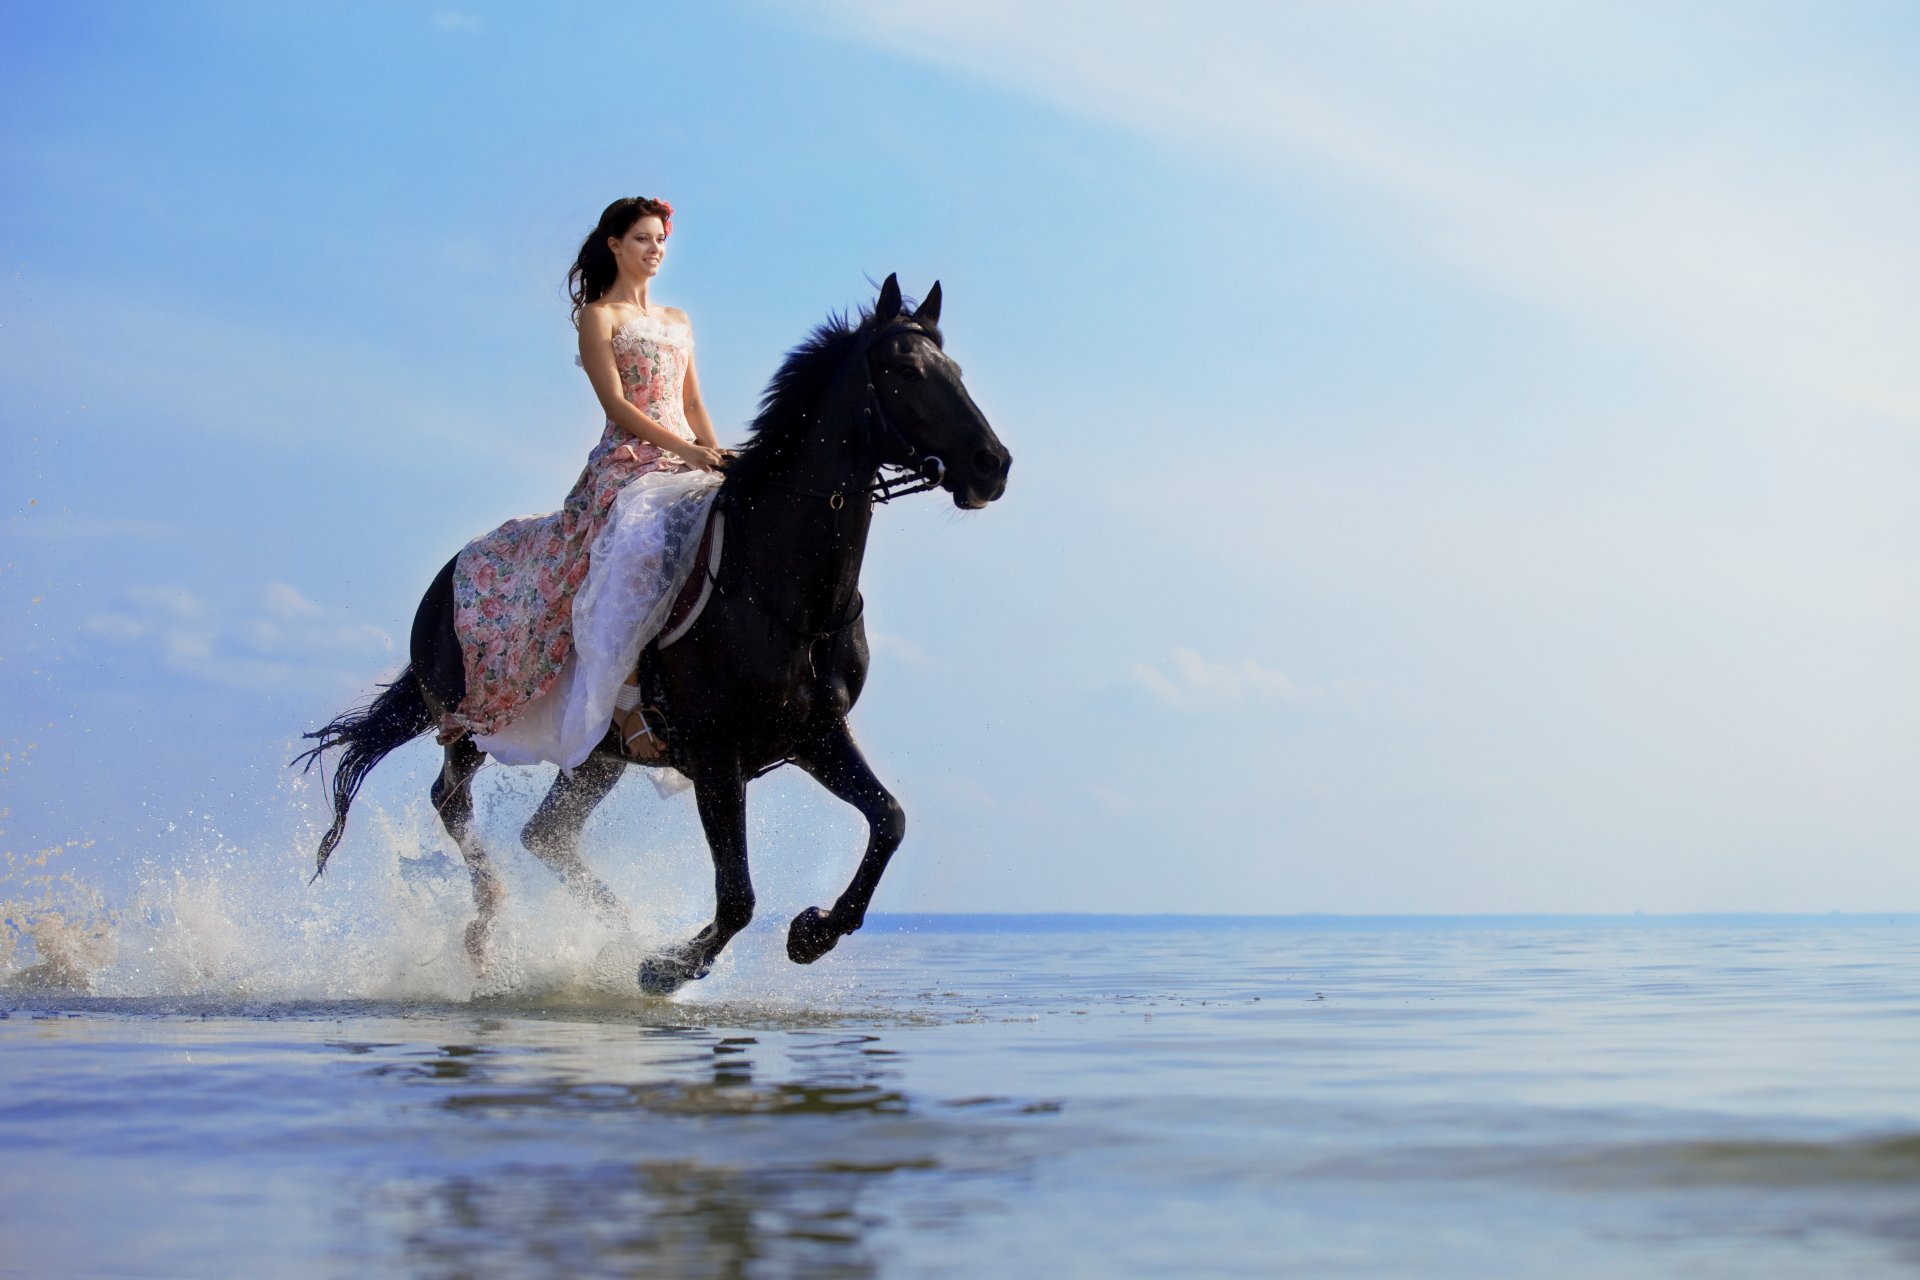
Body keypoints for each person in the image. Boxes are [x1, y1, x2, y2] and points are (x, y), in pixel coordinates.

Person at [436, 196, 730, 773]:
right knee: (639, 545)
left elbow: (691, 400)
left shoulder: (679, 320)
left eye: (660, 241)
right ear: (616, 246)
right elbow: (617, 406)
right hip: (628, 463)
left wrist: (712, 453)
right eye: (642, 239)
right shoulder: (601, 317)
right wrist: (684, 449)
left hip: (685, 457)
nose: (655, 250)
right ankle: (626, 697)